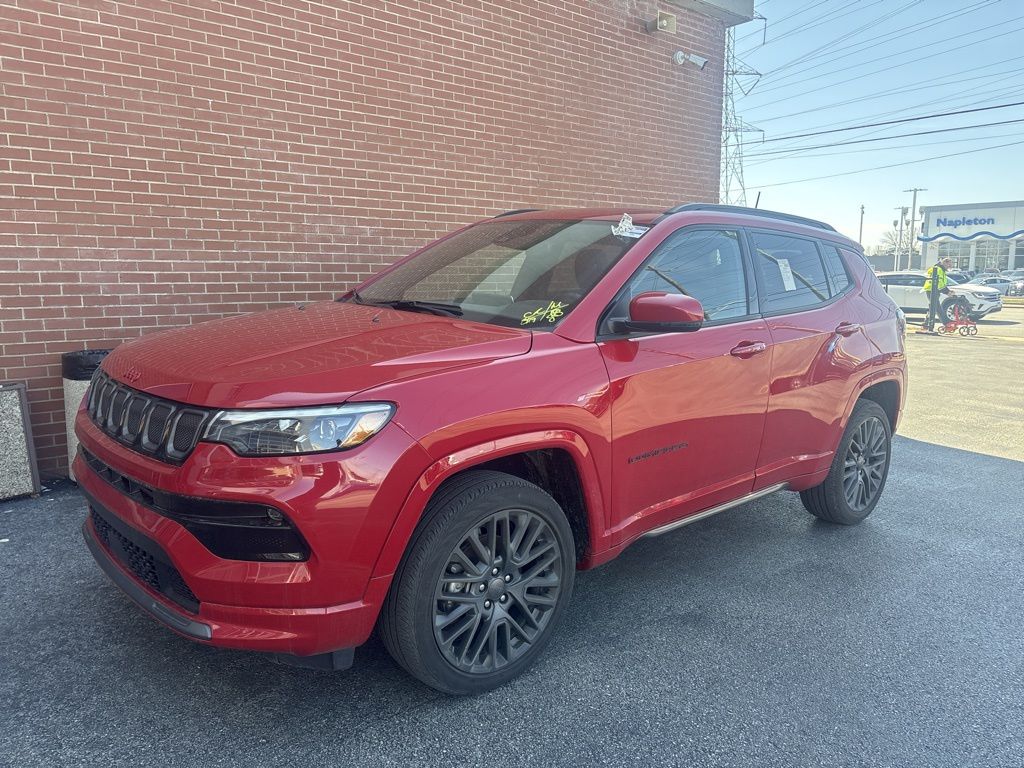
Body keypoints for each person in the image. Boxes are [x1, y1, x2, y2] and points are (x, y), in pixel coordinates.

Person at [923, 256, 953, 332]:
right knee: (936, 307)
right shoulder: (939, 269)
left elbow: (941, 283)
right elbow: (939, 283)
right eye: (949, 264)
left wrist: (947, 290)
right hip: (932, 289)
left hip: (933, 290)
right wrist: (947, 292)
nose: (950, 266)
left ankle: (926, 324)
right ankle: (946, 323)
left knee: (933, 307)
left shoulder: (940, 269)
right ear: (944, 263)